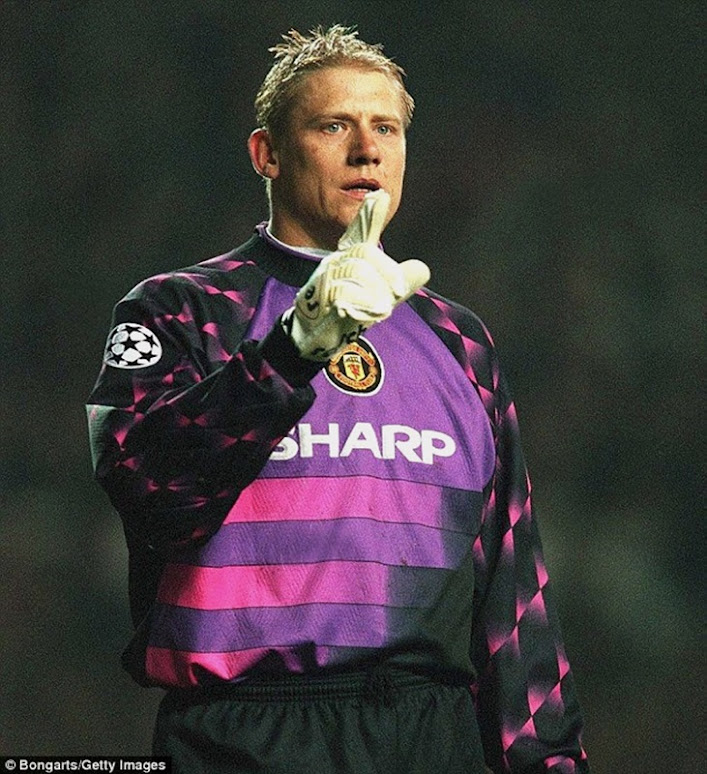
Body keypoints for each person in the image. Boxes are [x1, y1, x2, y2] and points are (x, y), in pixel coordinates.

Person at [86, 24, 589, 774]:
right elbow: (153, 494)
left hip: (431, 732)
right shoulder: (180, 310)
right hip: (244, 737)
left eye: (386, 128)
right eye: (333, 125)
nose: (366, 150)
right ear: (267, 153)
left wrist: (551, 762)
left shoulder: (459, 340)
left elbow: (511, 592)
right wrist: (293, 350)